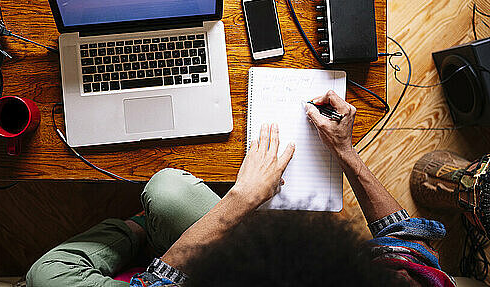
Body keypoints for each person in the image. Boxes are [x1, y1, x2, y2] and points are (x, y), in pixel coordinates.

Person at [27, 91, 455, 287]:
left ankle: (141, 231)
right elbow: (408, 244)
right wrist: (346, 152)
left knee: (46, 276)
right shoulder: (408, 281)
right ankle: (150, 228)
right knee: (169, 193)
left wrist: (243, 199)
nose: (399, 274)